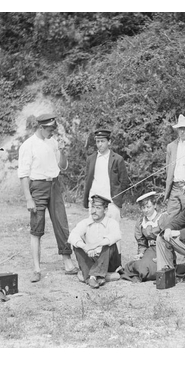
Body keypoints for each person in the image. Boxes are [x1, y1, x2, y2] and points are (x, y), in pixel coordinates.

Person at [17, 113, 78, 283]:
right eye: (50, 129)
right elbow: (23, 174)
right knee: (37, 227)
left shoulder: (53, 142)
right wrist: (28, 198)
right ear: (41, 128)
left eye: (53, 129)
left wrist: (64, 152)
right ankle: (36, 269)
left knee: (61, 223)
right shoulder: (27, 146)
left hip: (55, 186)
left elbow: (62, 166)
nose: (52, 133)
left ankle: (67, 262)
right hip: (38, 187)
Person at [68, 194, 122, 289]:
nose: (94, 211)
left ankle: (90, 276)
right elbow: (72, 236)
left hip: (108, 261)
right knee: (76, 245)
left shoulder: (111, 222)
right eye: (92, 207)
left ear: (105, 210)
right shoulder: (85, 222)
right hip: (91, 258)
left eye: (98, 208)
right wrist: (85, 247)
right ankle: (101, 276)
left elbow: (116, 235)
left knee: (109, 243)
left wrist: (95, 246)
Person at [83, 129, 130, 222]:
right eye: (98, 141)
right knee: (94, 231)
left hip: (111, 203)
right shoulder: (91, 159)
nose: (100, 144)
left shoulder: (117, 159)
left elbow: (124, 182)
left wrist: (117, 197)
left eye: (102, 141)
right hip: (94, 201)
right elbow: (87, 179)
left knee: (112, 232)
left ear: (109, 142)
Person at [122, 192, 169, 282]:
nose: (146, 210)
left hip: (164, 249)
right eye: (143, 208)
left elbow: (168, 240)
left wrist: (162, 256)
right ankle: (140, 267)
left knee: (154, 268)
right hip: (151, 250)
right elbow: (142, 243)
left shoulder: (162, 218)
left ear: (154, 205)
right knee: (143, 267)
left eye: (148, 207)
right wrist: (141, 254)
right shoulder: (140, 222)